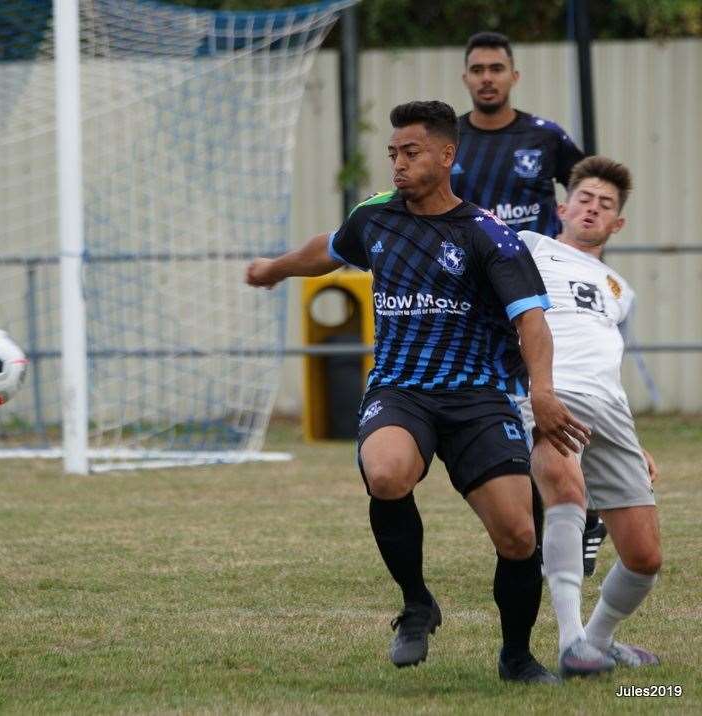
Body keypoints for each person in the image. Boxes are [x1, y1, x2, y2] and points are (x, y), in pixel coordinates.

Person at [245, 100, 590, 683]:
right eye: (393, 154)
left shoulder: (488, 236)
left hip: (478, 397)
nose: (398, 165)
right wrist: (275, 268)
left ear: (446, 155)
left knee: (518, 534)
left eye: (411, 152)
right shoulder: (376, 218)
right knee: (385, 473)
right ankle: (416, 604)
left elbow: (532, 321)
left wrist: (544, 391)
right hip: (401, 390)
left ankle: (516, 657)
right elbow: (324, 250)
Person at [455, 30, 606, 577]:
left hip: (539, 299)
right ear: (466, 77)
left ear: (514, 75)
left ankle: (580, 514)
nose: (488, 77)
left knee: (549, 405)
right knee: (506, 415)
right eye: (478, 69)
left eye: (497, 67)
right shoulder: (449, 140)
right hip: (473, 300)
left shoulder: (545, 138)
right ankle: (557, 521)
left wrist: (584, 258)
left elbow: (591, 198)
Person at [518, 156, 662, 678]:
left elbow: (609, 362)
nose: (592, 208)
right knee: (568, 494)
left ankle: (599, 640)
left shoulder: (622, 291)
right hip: (551, 394)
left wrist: (636, 441)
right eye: (584, 198)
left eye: (605, 204)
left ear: (616, 223)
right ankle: (571, 640)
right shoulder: (530, 249)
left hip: (611, 412)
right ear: (563, 207)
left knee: (644, 558)